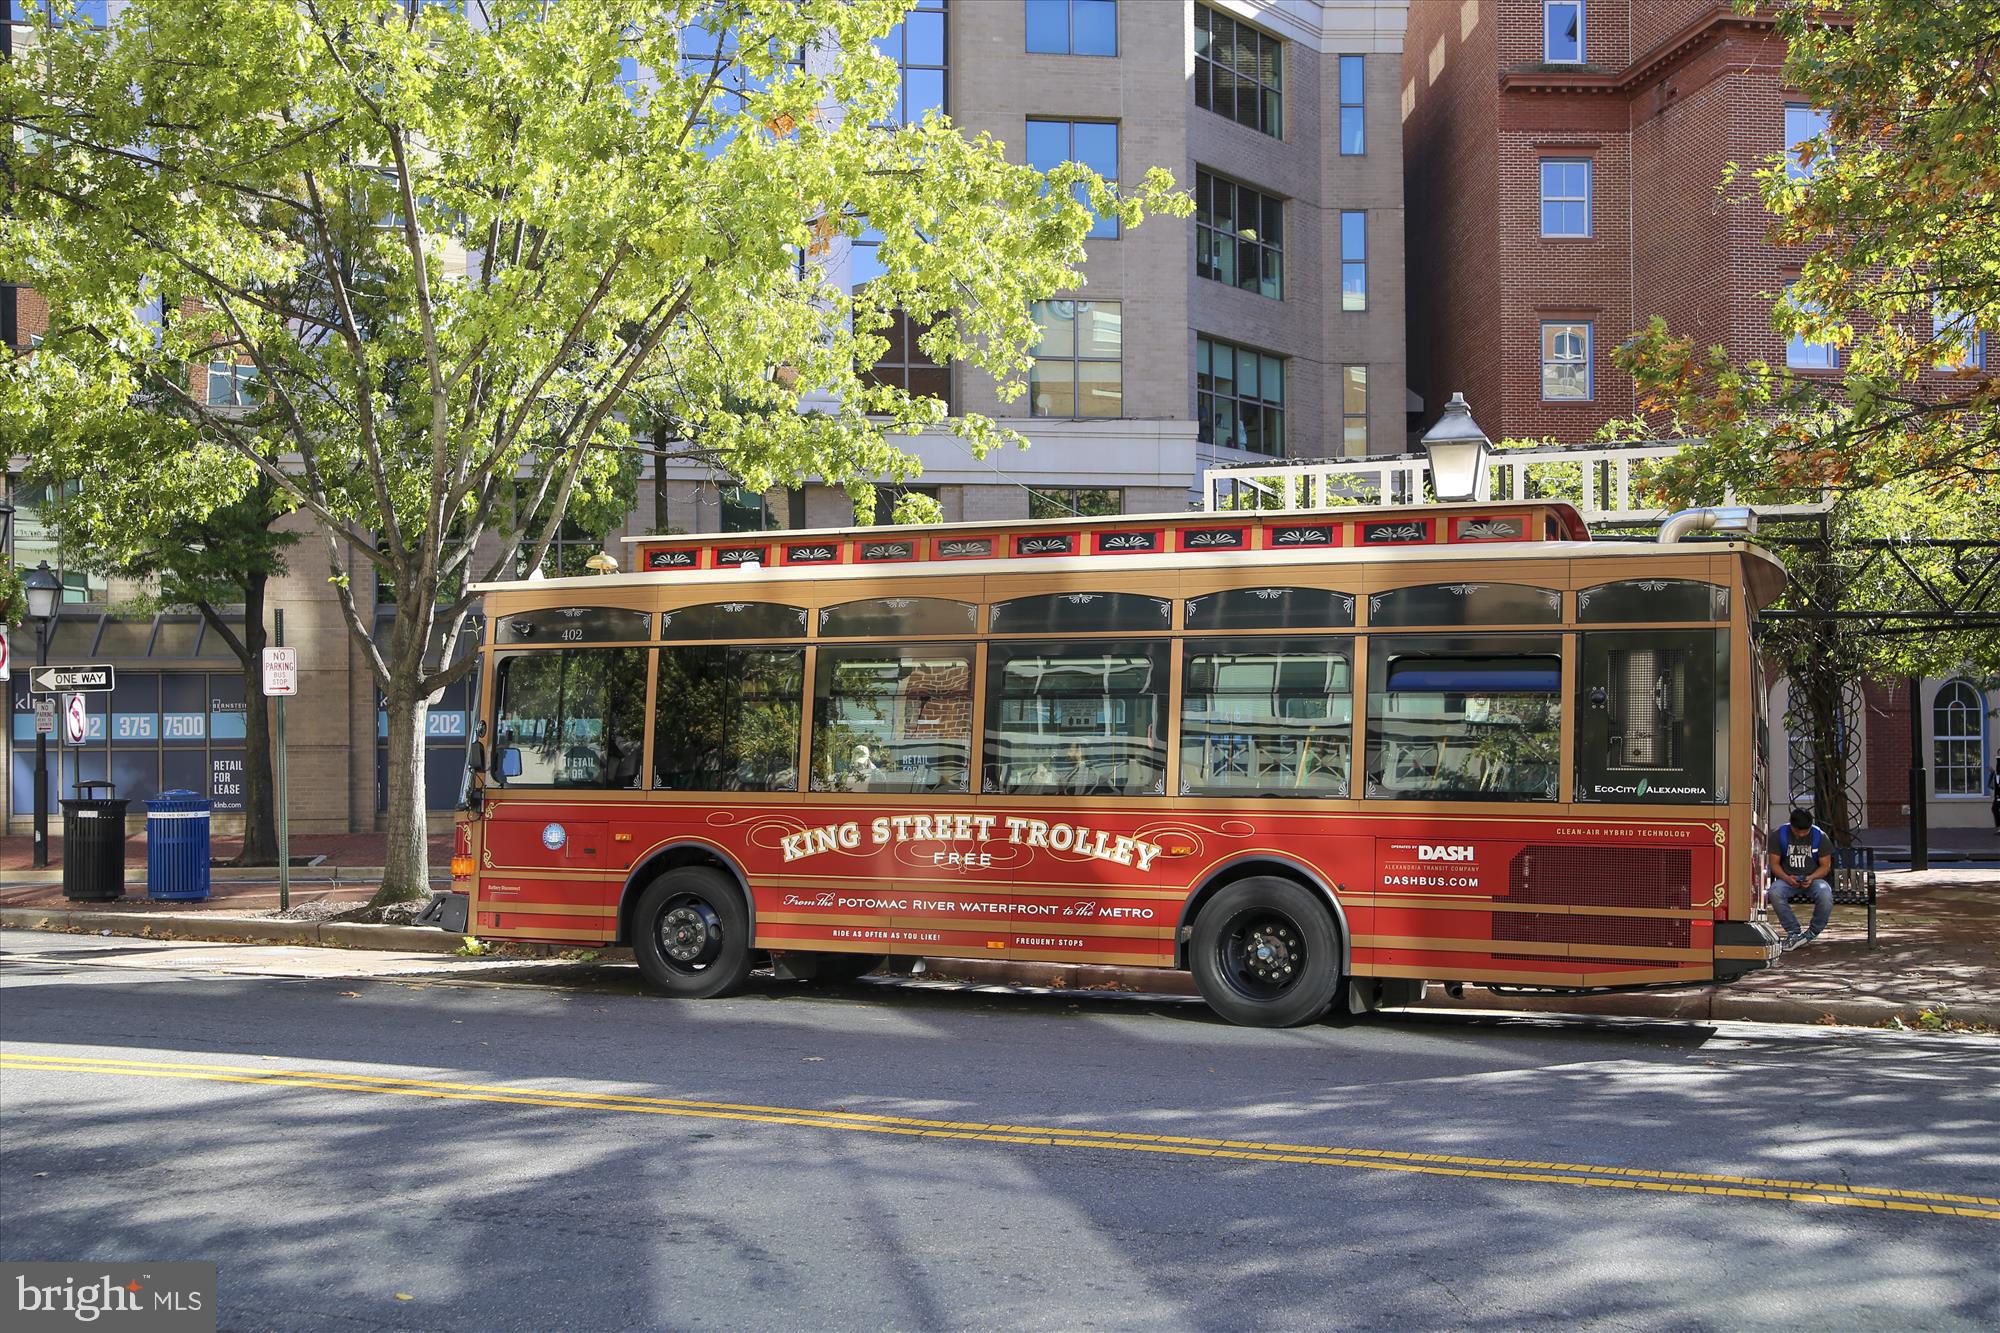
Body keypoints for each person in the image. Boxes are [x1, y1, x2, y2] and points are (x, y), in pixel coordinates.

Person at [1767, 808, 1834, 951]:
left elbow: (1825, 866)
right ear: (1791, 825)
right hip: (1787, 879)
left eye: (1805, 831)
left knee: (1825, 893)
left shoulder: (1820, 836)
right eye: (1798, 832)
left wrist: (1812, 877)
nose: (1802, 834)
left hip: (1813, 878)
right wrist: (1786, 877)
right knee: (1774, 892)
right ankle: (1794, 932)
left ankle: (1812, 932)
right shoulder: (1779, 835)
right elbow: (1774, 864)